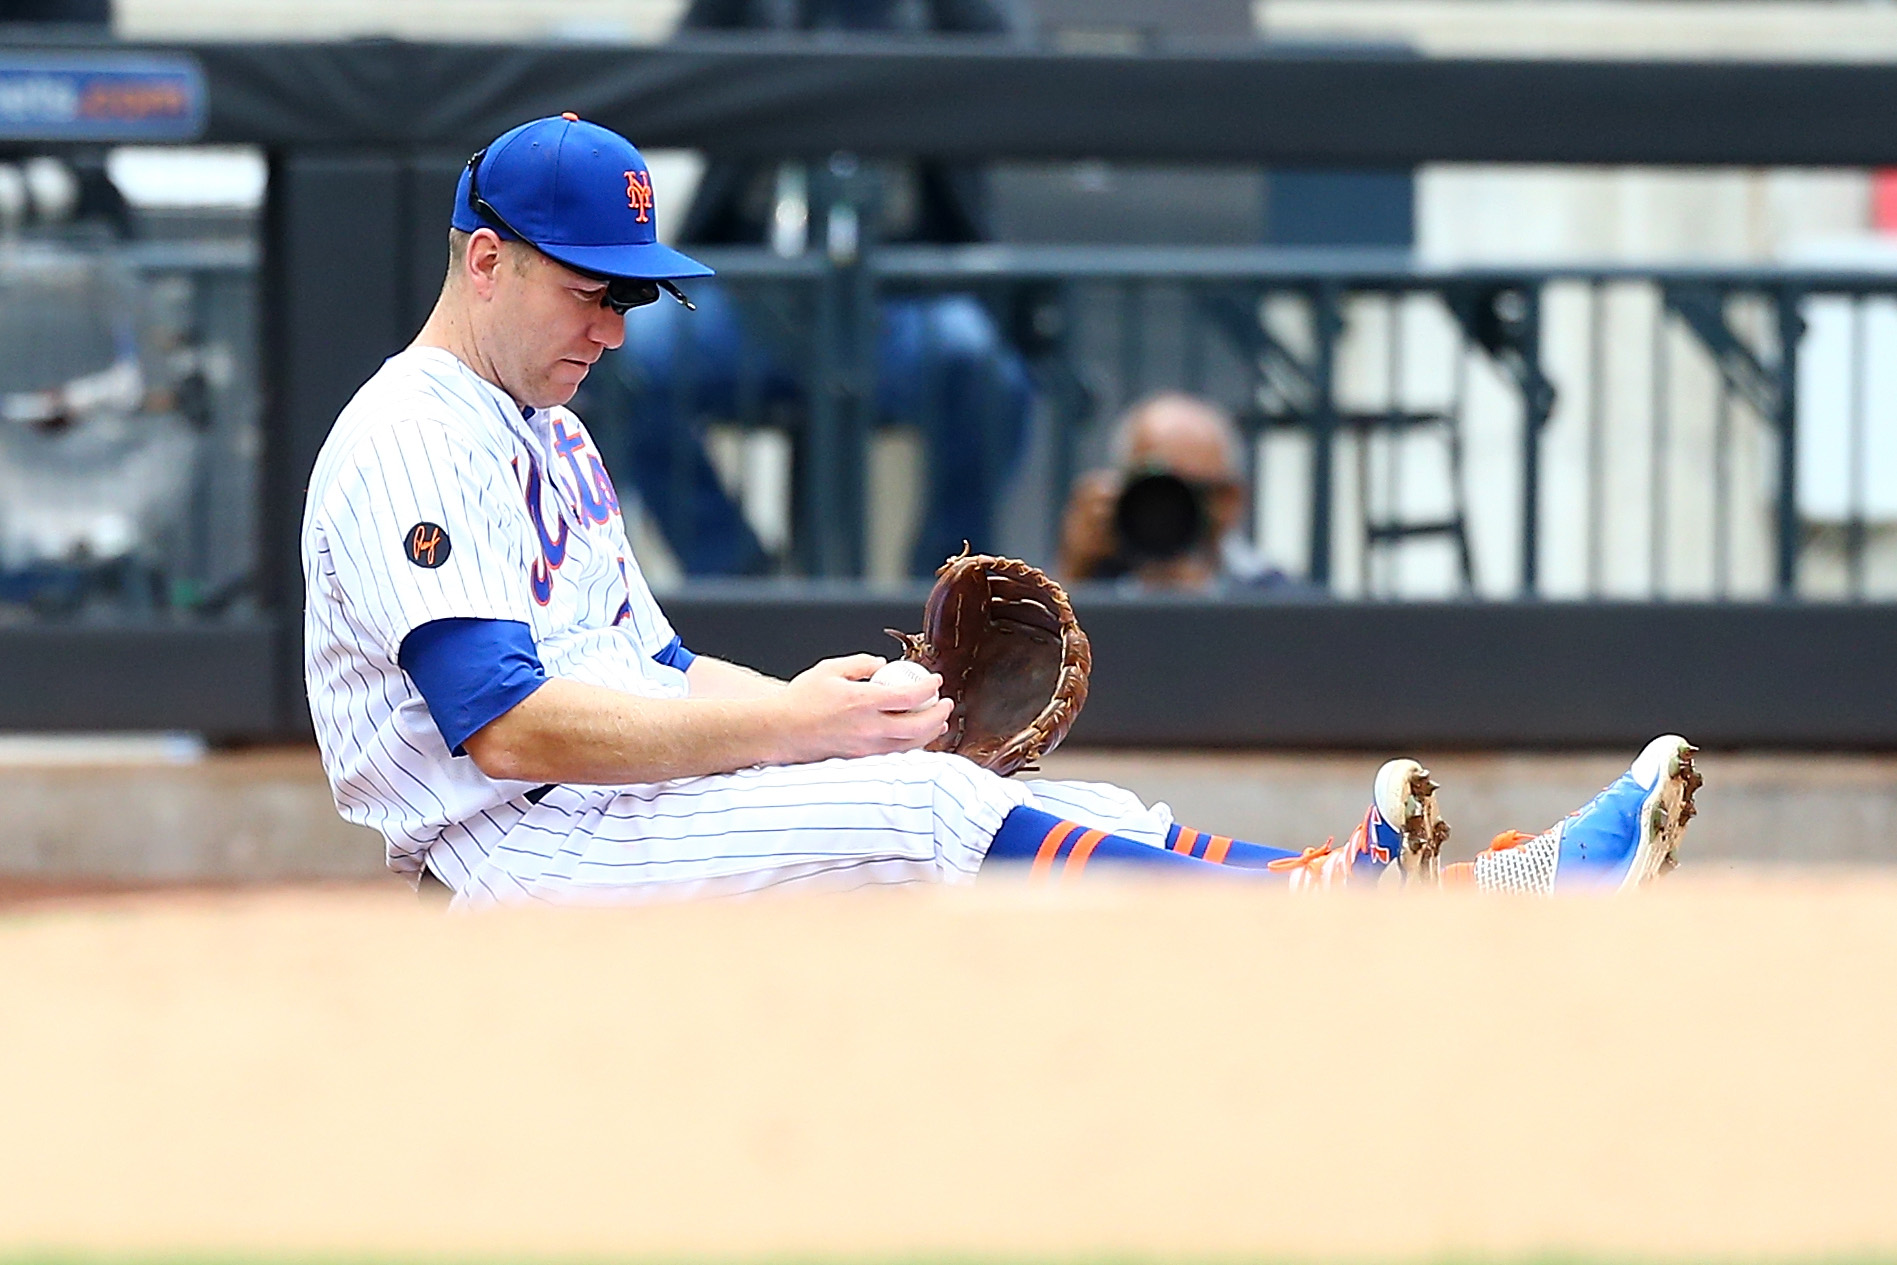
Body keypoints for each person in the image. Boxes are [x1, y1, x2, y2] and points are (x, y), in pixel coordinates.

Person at [302, 115, 1701, 908]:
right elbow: (509, 722)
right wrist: (801, 730)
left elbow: (656, 675)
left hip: (610, 811)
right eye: (591, 288)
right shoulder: (412, 438)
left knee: (994, 793)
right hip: (514, 853)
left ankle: (1412, 902)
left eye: (632, 293)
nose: (617, 321)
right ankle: (1327, 914)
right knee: (923, 812)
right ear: (483, 262)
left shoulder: (550, 435)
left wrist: (830, 698)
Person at [598, 0, 1033, 577]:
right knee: (629, 356)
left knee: (987, 377)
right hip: (754, 289)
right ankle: (738, 578)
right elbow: (671, 76)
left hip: (907, 295)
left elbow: (1017, 71)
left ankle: (942, 591)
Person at [1058, 392, 1290, 593]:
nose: (1166, 511)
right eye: (1152, 489)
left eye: (1189, 491)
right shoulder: (1094, 580)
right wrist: (1074, 571)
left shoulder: (1273, 599)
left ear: (1229, 499)